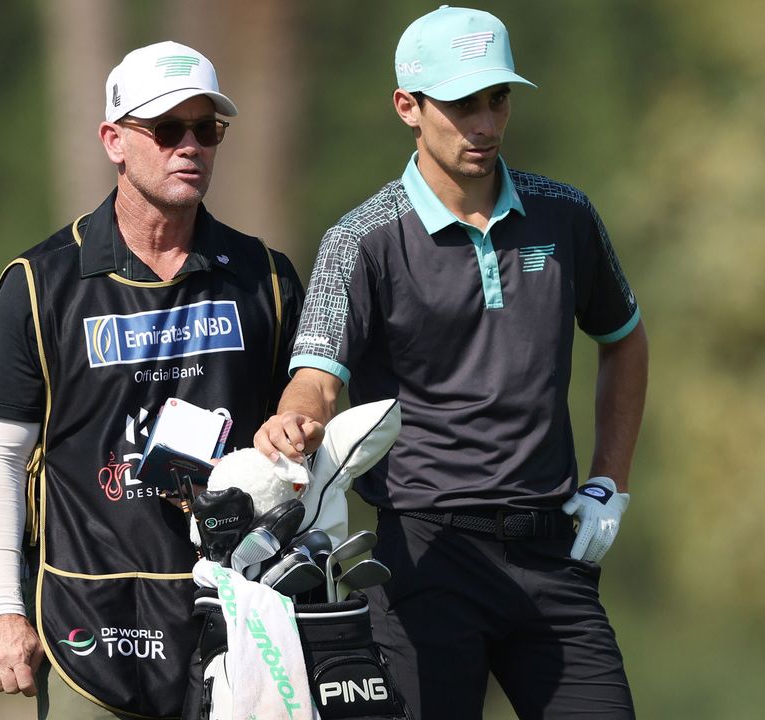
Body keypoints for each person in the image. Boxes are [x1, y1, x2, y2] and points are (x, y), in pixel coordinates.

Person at [255, 6, 648, 718]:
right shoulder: (362, 239)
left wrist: (608, 485)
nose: (486, 125)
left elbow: (623, 337)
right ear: (408, 106)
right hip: (422, 560)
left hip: (552, 553)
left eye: (497, 100)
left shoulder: (567, 216)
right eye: (462, 105)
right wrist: (294, 421)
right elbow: (315, 379)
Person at [0, 41, 304, 718]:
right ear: (114, 141)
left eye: (206, 129)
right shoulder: (40, 285)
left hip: (239, 618)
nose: (190, 147)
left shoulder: (264, 276)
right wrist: (2, 610)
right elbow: (0, 461)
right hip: (85, 618)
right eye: (167, 129)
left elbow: (303, 446)